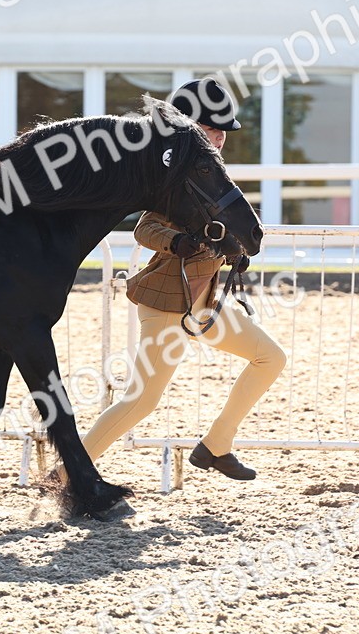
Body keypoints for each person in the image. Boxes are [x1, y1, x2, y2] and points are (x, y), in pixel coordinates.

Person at [79, 78, 287, 481]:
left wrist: (233, 249)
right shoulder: (172, 182)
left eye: (223, 130)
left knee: (270, 358)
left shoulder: (208, 177)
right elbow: (145, 228)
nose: (221, 136)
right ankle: (71, 469)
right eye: (212, 128)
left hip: (204, 305)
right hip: (166, 304)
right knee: (141, 400)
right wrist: (180, 242)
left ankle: (216, 445)